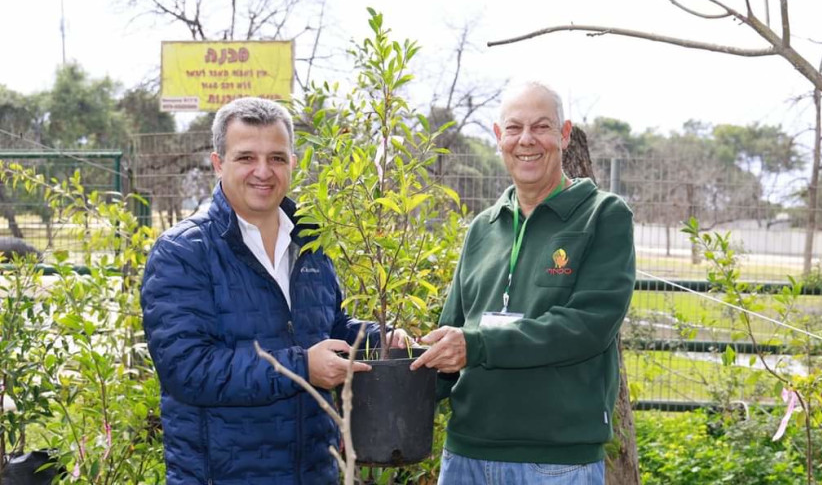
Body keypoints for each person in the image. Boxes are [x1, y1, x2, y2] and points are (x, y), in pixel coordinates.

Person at [141, 97, 406, 484]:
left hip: (312, 471)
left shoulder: (310, 240)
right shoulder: (183, 251)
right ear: (218, 164)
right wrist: (302, 366)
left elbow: (329, 327)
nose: (263, 171)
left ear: (292, 164)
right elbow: (187, 369)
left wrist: (379, 339)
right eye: (246, 157)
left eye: (277, 158)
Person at [411, 82, 636, 484]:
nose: (526, 140)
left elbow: (587, 327)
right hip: (465, 457)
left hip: (556, 463)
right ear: (499, 138)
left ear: (564, 135)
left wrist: (477, 345)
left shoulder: (603, 216)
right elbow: (455, 334)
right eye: (514, 128)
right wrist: (407, 359)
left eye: (541, 127)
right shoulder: (483, 227)